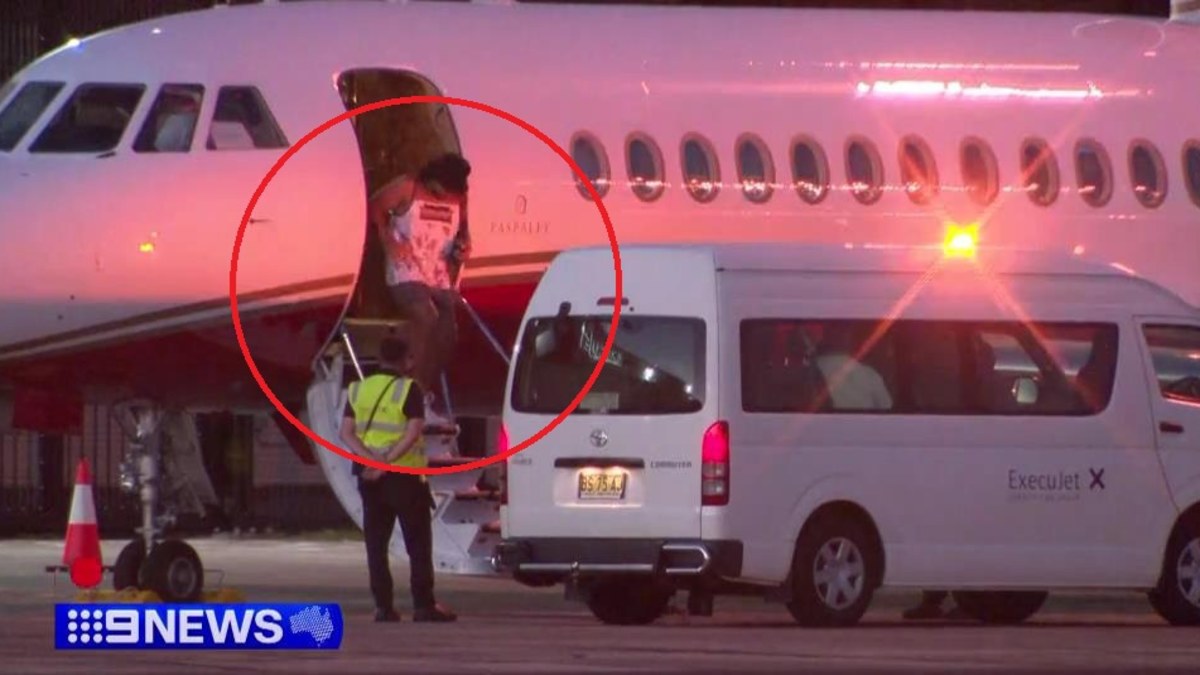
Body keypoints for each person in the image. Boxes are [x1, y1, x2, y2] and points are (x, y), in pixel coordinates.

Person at [338, 337, 457, 623]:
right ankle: (423, 605)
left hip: (368, 478)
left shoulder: (358, 389)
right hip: (404, 476)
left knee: (376, 545)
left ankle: (382, 606)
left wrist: (371, 461)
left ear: (380, 358)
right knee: (417, 543)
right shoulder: (408, 388)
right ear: (407, 360)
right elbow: (414, 431)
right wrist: (386, 462)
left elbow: (346, 433)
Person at [367, 153, 472, 416]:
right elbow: (375, 207)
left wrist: (463, 245)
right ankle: (405, 383)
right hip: (407, 268)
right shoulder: (408, 188)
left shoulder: (459, 196)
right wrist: (389, 241)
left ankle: (421, 388)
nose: (442, 196)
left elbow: (464, 229)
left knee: (448, 327)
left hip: (437, 270)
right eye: (439, 191)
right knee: (426, 316)